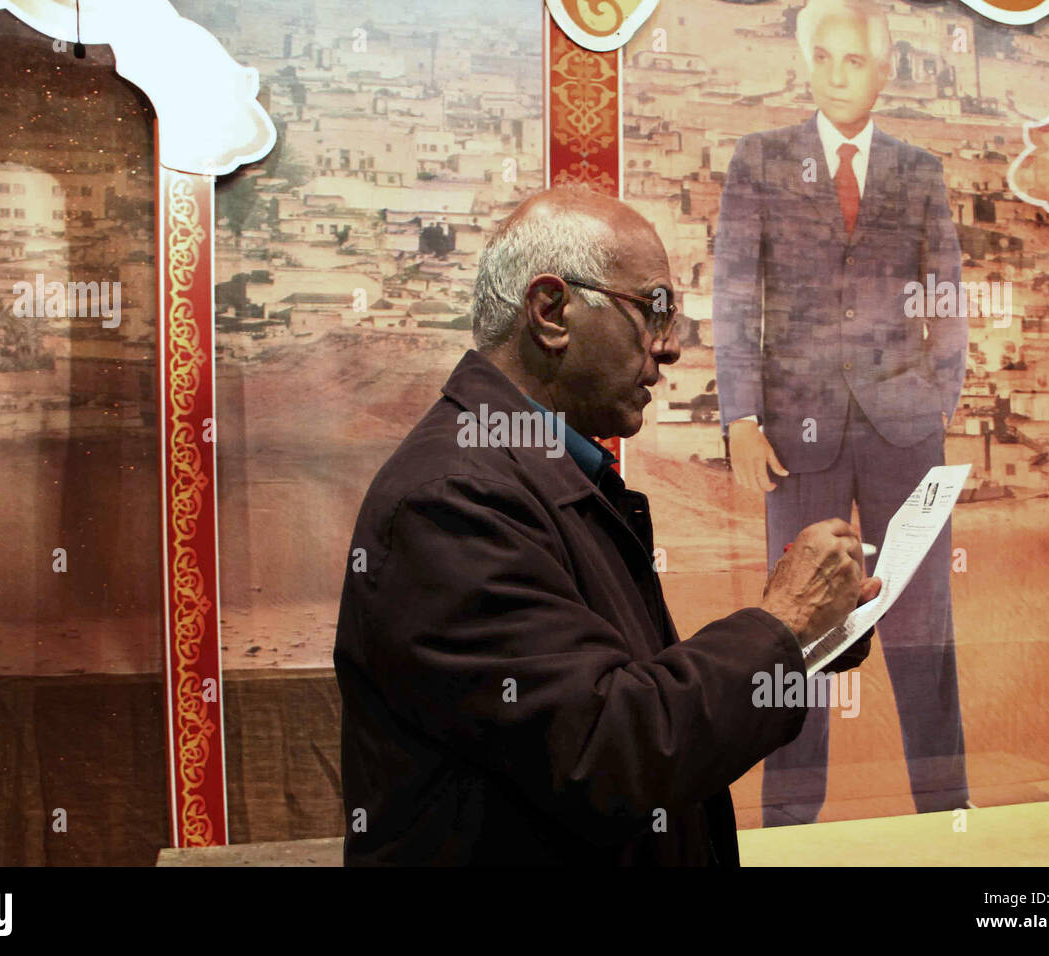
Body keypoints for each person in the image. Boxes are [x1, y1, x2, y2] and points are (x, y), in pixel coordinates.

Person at [334, 186, 879, 865]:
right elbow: (610, 749)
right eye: (651, 311)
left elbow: (634, 703)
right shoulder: (452, 501)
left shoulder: (528, 471)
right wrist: (783, 623)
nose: (668, 347)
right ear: (551, 311)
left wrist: (803, 642)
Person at [712, 0, 971, 827]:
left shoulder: (920, 170)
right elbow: (733, 295)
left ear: (885, 67)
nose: (834, 72)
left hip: (907, 434)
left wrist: (939, 402)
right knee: (800, 631)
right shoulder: (759, 161)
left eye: (852, 59)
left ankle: (948, 809)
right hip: (795, 439)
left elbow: (949, 301)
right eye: (821, 56)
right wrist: (740, 417)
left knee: (924, 625)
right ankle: (790, 824)